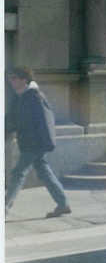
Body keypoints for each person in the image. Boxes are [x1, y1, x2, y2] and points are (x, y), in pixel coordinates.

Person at [5, 66, 71, 218]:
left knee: (18, 173)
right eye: (10, 78)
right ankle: (63, 203)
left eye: (14, 78)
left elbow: (45, 121)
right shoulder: (20, 96)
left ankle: (5, 207)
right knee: (44, 172)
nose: (11, 81)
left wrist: (45, 142)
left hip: (34, 143)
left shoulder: (34, 96)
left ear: (24, 79)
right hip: (28, 142)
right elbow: (13, 119)